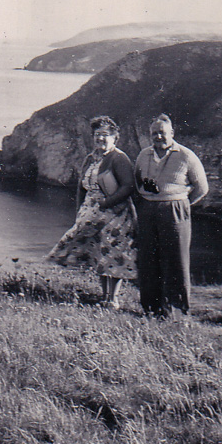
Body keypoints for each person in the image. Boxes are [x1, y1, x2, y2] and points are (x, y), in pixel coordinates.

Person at [45, 115, 137, 308]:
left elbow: (128, 186)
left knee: (114, 255)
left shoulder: (119, 158)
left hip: (115, 215)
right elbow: (82, 187)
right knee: (99, 254)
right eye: (97, 135)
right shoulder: (90, 158)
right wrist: (79, 212)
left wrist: (107, 203)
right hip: (92, 213)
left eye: (105, 135)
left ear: (114, 137)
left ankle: (113, 300)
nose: (100, 139)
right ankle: (104, 297)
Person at [134, 114, 209, 318]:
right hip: (148, 209)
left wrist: (180, 204)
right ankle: (151, 309)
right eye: (154, 133)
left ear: (172, 133)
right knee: (148, 259)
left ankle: (177, 312)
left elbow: (202, 187)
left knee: (176, 260)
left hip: (175, 210)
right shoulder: (144, 155)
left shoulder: (186, 155)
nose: (158, 136)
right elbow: (137, 181)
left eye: (162, 132)